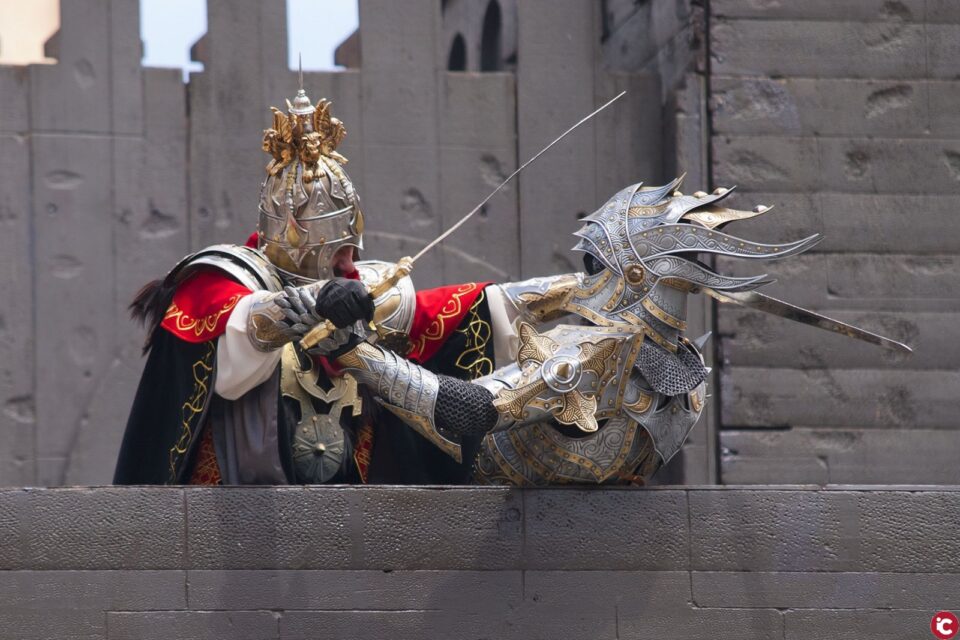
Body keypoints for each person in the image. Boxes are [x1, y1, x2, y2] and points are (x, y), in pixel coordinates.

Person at [314, 178, 906, 485]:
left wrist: (353, 350)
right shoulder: (686, 370)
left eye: (596, 264)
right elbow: (563, 293)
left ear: (631, 274)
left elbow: (470, 412)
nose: (586, 276)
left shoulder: (593, 352)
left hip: (461, 467)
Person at [113, 86, 508, 486]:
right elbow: (246, 325)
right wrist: (320, 302)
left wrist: (543, 295)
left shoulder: (357, 290)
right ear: (296, 238)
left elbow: (451, 310)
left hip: (352, 513)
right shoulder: (220, 280)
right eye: (337, 251)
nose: (349, 265)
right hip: (232, 507)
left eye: (352, 250)